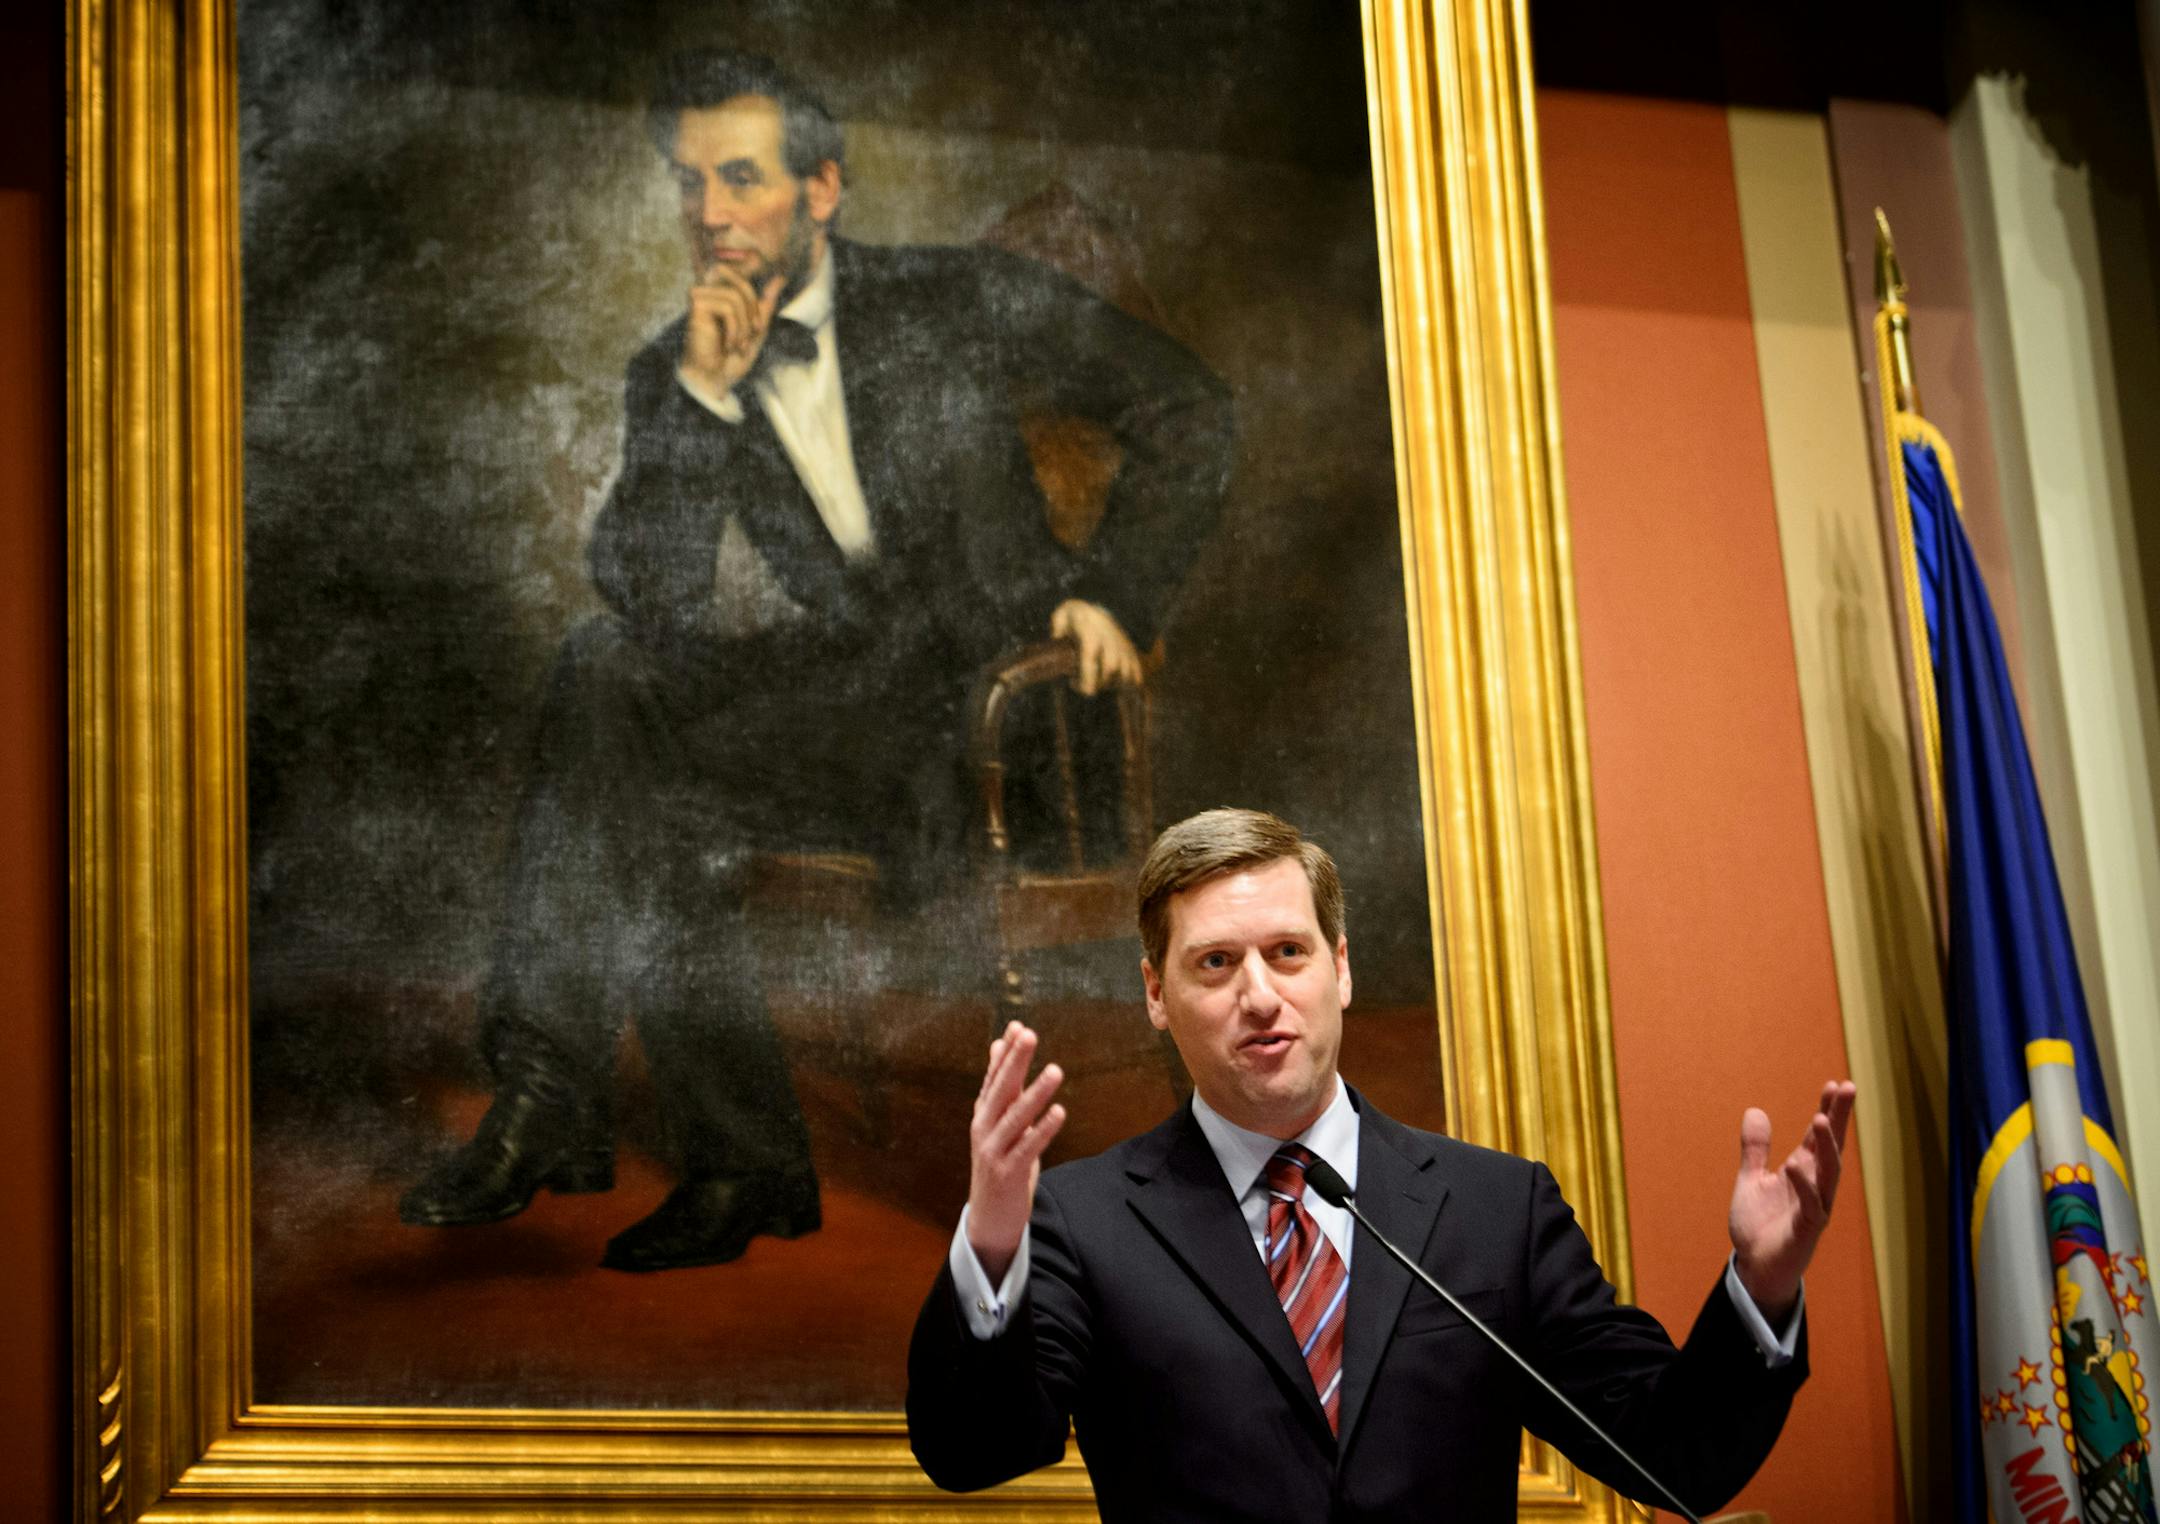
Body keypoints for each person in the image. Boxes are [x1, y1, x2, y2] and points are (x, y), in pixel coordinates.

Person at [397, 49, 1234, 1273]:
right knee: (607, 673)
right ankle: (582, 1103)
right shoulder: (676, 367)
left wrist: (1111, 588)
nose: (711, 215)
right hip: (849, 720)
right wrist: (702, 401)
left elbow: (1189, 407)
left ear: (824, 189)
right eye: (690, 185)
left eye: (741, 179)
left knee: (642, 768)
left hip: (994, 736)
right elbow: (654, 603)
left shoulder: (958, 298)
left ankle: (691, 1147)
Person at [907, 808, 1857, 1520]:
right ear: (1156, 994)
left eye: (1288, 952)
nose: (1260, 995)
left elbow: (1671, 1452)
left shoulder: (1496, 1209)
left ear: (1342, 969)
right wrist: (990, 1246)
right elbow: (973, 1450)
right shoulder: (1085, 1220)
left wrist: (1762, 1289)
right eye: (1214, 964)